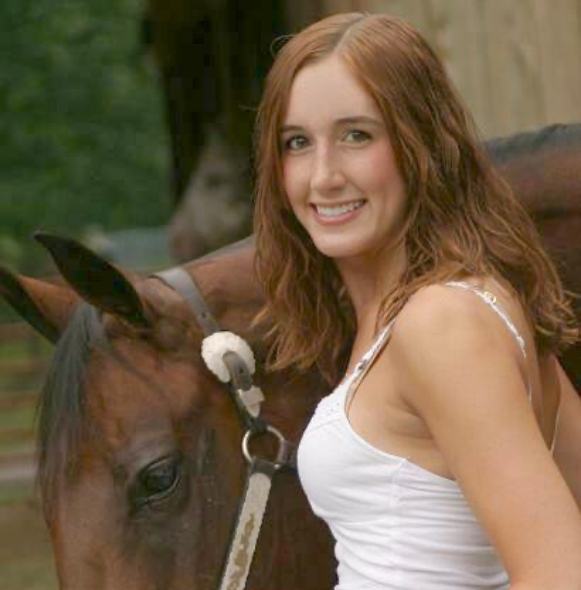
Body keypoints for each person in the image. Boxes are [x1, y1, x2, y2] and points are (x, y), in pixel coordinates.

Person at [252, 12, 581, 590]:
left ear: (420, 144)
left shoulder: (442, 324)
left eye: (357, 135)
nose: (323, 176)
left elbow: (561, 571)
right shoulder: (458, 308)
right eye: (297, 143)